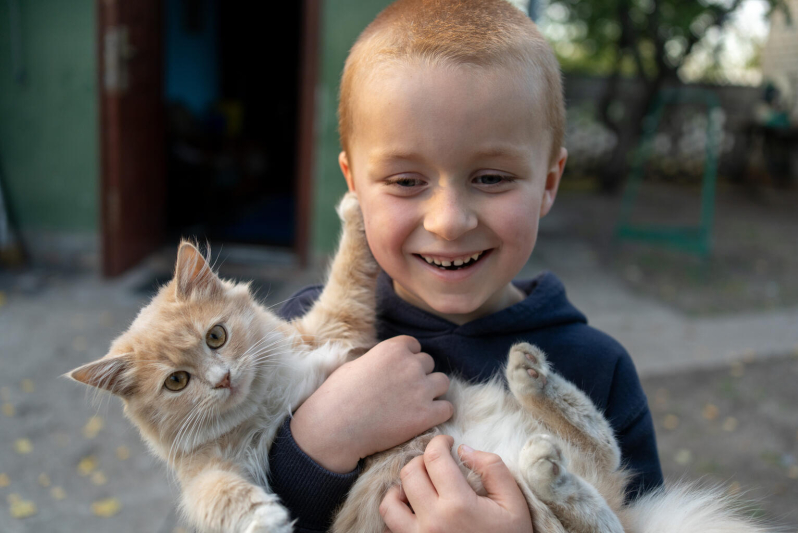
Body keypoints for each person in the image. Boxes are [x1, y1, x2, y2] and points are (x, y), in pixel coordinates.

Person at [267, 1, 664, 531]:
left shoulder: (599, 370)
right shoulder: (302, 345)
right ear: (355, 184)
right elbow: (217, 509)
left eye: (492, 178)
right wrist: (315, 445)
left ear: (548, 183)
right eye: (406, 181)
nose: (449, 221)